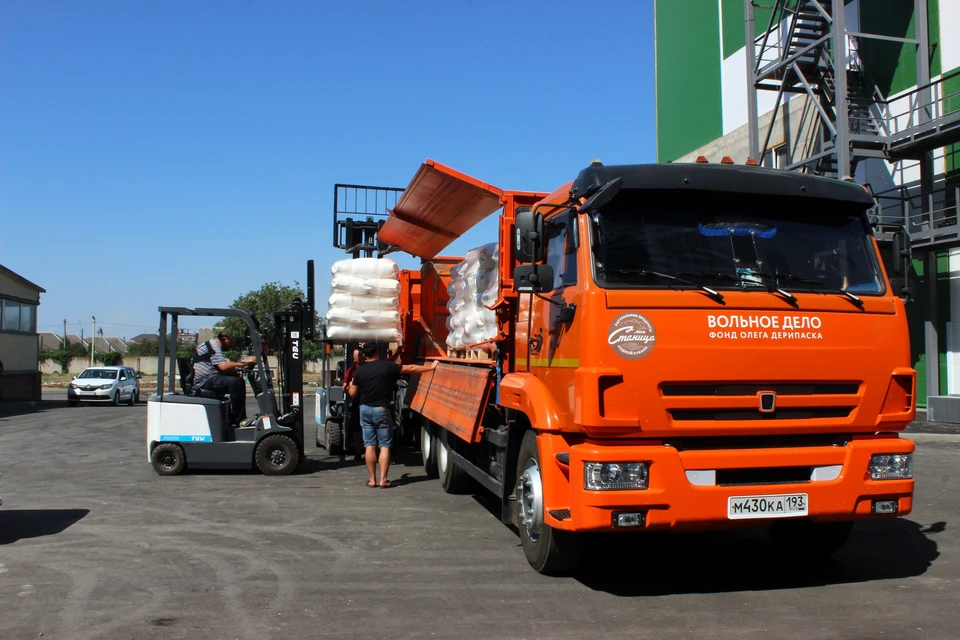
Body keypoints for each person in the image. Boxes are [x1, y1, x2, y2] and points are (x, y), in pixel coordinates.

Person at [348, 342, 437, 488]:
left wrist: (351, 384)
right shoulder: (387, 366)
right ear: (377, 353)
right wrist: (431, 368)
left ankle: (372, 480)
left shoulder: (359, 371)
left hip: (364, 409)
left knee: (369, 445)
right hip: (381, 409)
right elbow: (411, 368)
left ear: (364, 355)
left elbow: (353, 394)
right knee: (384, 446)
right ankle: (383, 480)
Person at [193, 330, 256, 426]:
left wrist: (234, 373)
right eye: (229, 342)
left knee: (237, 380)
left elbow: (218, 368)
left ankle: (233, 418)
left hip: (210, 377)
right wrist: (245, 363)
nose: (230, 345)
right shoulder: (213, 345)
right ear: (224, 339)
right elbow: (223, 366)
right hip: (205, 380)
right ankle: (239, 420)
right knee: (236, 383)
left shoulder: (212, 345)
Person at [342, 348, 366, 461]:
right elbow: (344, 387)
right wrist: (349, 387)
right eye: (359, 355)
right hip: (357, 403)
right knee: (357, 429)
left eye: (362, 355)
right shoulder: (351, 371)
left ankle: (369, 451)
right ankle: (358, 452)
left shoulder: (369, 368)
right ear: (354, 358)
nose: (361, 357)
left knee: (369, 429)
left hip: (368, 401)